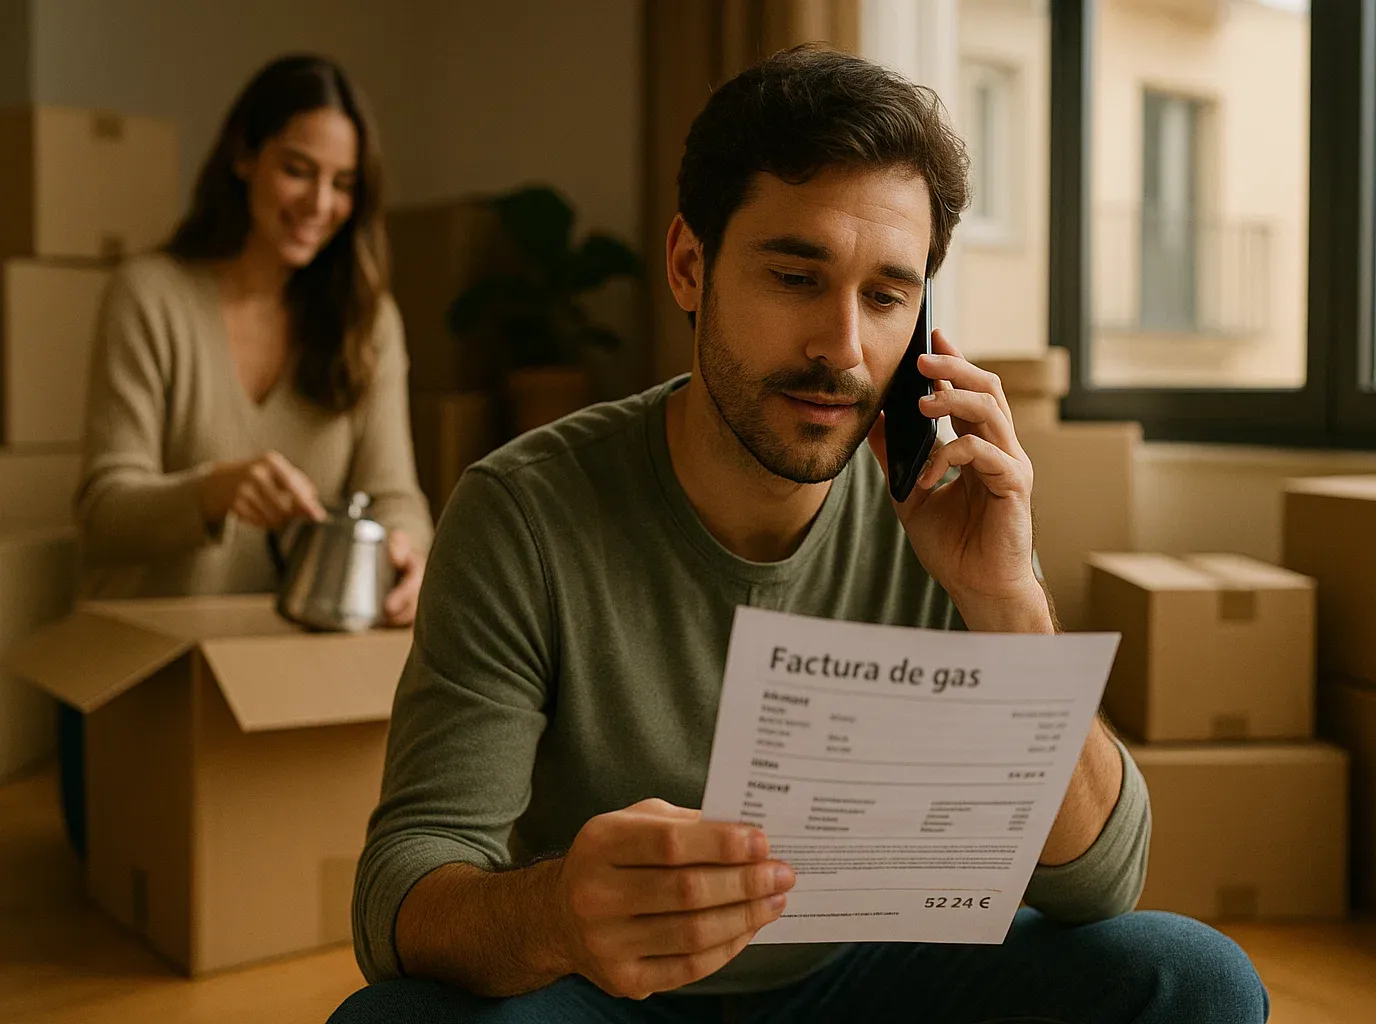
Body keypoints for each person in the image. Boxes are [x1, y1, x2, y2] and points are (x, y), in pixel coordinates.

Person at [333, 46, 1268, 1024]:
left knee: (1192, 982)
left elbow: (1100, 887)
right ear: (691, 267)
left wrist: (1008, 605)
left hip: (874, 977)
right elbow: (402, 891)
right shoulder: (523, 512)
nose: (843, 347)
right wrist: (562, 913)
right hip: (614, 994)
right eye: (794, 275)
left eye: (886, 296)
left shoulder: (947, 506)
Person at [59, 55, 434, 858]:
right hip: (147, 694)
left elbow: (396, 495)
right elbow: (100, 516)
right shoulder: (149, 294)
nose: (320, 204)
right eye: (299, 170)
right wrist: (213, 491)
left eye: (343, 184)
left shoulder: (369, 322)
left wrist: (407, 556)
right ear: (242, 157)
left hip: (287, 698)